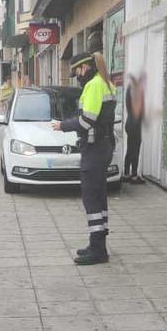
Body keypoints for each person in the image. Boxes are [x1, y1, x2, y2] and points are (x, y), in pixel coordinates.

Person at [53, 52, 116, 265]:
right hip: (103, 146)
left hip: (95, 148)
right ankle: (97, 243)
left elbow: (86, 122)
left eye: (76, 71)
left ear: (85, 67)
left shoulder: (94, 85)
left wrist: (62, 125)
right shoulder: (106, 82)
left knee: (91, 198)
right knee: (99, 196)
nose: (76, 76)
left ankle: (98, 250)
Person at [123, 72, 145, 184]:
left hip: (130, 123)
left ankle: (127, 174)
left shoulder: (129, 91)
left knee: (130, 149)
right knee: (135, 149)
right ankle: (134, 176)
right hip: (135, 125)